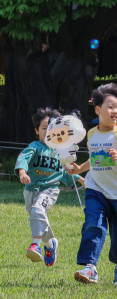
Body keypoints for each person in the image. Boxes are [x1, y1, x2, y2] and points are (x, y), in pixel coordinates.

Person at [67, 83, 117, 286]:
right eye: (111, 107)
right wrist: (78, 170)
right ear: (97, 109)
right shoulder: (91, 134)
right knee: (93, 224)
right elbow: (95, 159)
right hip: (95, 189)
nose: (116, 111)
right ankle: (90, 267)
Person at [15, 108, 85, 266]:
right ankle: (50, 245)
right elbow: (23, 158)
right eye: (44, 128)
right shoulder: (35, 147)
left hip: (50, 189)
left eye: (51, 128)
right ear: (36, 130)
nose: (48, 132)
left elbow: (65, 172)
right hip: (30, 189)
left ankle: (35, 245)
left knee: (38, 211)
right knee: (37, 218)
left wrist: (80, 179)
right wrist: (22, 172)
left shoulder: (60, 150)